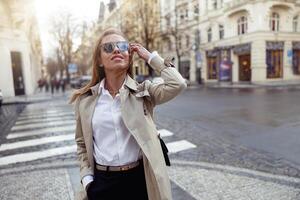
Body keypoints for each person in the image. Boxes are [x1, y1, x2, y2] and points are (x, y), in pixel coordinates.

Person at [70, 28, 187, 200]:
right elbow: (81, 144)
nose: (116, 50)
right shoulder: (85, 100)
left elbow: (178, 84)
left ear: (129, 56)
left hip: (139, 181)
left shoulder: (143, 92)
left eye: (122, 46)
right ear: (100, 60)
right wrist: (88, 180)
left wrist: (149, 56)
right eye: (108, 47)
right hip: (102, 183)